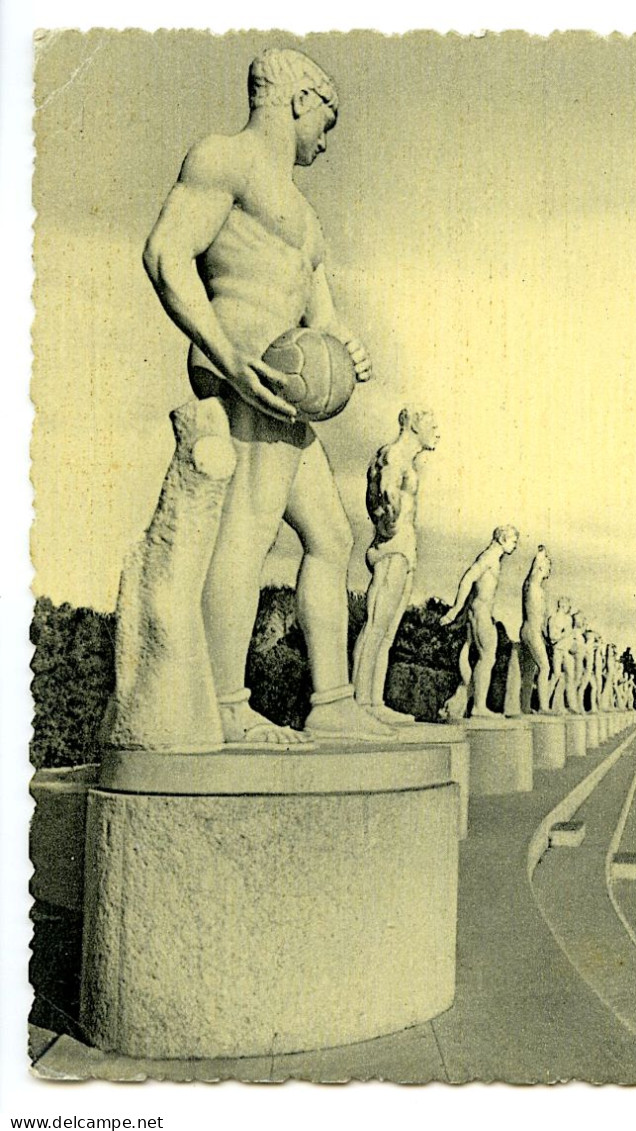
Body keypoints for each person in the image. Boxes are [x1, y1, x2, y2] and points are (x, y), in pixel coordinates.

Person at [142, 47, 387, 742]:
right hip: (250, 368)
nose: (325, 140)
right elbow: (165, 256)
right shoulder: (225, 157)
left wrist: (346, 345)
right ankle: (224, 708)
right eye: (326, 121)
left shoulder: (301, 212)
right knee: (245, 532)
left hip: (288, 388)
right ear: (300, 98)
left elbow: (322, 313)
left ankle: (332, 703)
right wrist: (232, 359)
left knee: (331, 536)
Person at [353, 406, 439, 724]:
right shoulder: (394, 455)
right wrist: (389, 525)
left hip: (404, 549)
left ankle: (373, 702)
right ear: (415, 424)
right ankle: (360, 702)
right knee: (376, 626)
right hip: (393, 548)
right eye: (432, 423)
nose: (437, 431)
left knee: (387, 632)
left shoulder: (404, 460)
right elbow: (382, 499)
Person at [439, 526, 521, 719]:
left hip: (481, 613)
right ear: (502, 539)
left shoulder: (494, 557)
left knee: (481, 659)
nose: (515, 546)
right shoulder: (490, 556)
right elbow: (468, 578)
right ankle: (478, 707)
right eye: (514, 541)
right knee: (487, 658)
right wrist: (455, 609)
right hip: (480, 612)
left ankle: (455, 705)